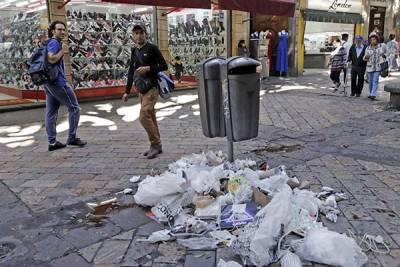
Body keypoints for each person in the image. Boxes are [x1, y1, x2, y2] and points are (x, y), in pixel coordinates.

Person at [122, 23, 168, 159]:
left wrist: (148, 68)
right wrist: (127, 91)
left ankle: (155, 144)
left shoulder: (152, 48)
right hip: (141, 89)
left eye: (141, 33)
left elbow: (163, 65)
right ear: (133, 36)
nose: (139, 35)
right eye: (136, 33)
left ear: (146, 34)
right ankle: (157, 145)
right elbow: (131, 71)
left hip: (152, 88)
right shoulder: (134, 51)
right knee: (151, 116)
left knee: (143, 116)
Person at [44, 21, 87, 151]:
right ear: (53, 31)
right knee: (74, 108)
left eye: (64, 29)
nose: (62, 32)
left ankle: (52, 142)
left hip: (49, 82)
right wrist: (62, 51)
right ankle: (72, 138)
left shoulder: (48, 42)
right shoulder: (54, 43)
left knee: (51, 112)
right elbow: (51, 58)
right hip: (58, 82)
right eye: (59, 29)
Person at [363, 33, 387, 100]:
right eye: (371, 40)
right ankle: (371, 93)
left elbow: (385, 55)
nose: (373, 41)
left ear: (377, 40)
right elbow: (364, 58)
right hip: (370, 67)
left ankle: (373, 94)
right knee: (370, 81)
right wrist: (366, 57)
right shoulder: (367, 48)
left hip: (378, 67)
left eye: (374, 39)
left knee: (375, 81)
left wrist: (383, 55)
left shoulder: (380, 48)